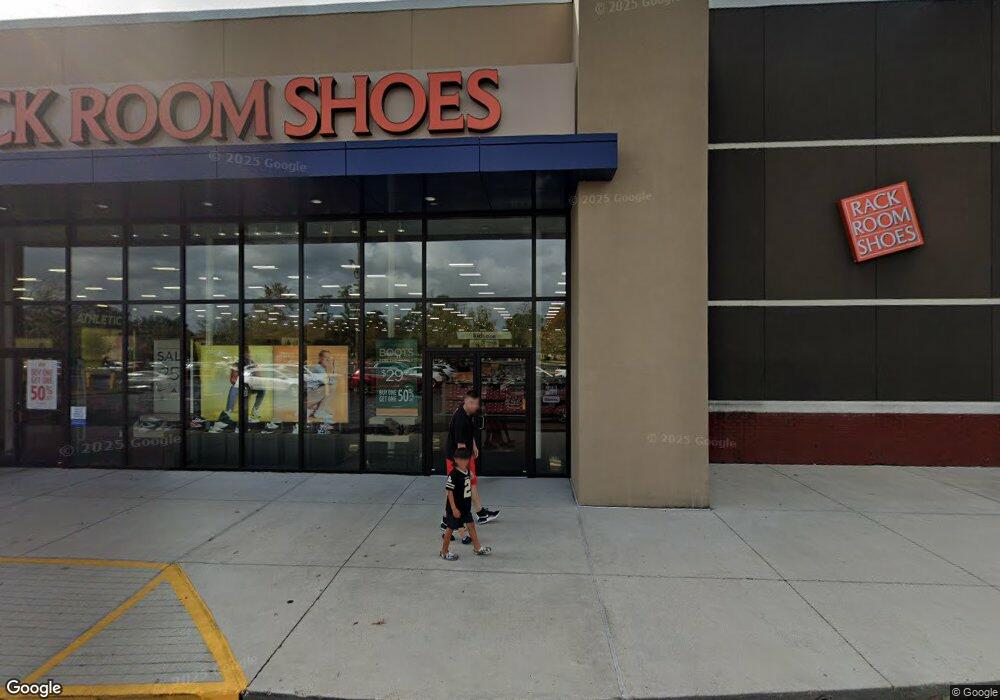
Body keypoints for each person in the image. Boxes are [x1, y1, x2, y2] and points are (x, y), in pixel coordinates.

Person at [442, 389, 500, 528]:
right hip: (458, 459)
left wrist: (473, 445)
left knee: (472, 484)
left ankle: (481, 513)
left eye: (476, 403)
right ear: (465, 401)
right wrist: (465, 470)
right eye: (471, 403)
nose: (474, 406)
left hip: (466, 456)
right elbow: (460, 447)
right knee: (454, 488)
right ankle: (446, 519)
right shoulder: (460, 420)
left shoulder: (467, 413)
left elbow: (468, 433)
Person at [440, 447, 491, 561]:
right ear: (455, 459)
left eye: (466, 459)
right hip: (455, 508)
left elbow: (468, 483)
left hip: (465, 507)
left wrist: (470, 476)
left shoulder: (467, 471)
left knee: (471, 525)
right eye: (461, 459)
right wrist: (454, 508)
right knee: (450, 529)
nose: (464, 461)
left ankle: (477, 548)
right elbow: (449, 492)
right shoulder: (453, 474)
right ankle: (444, 551)